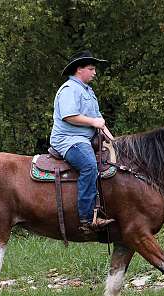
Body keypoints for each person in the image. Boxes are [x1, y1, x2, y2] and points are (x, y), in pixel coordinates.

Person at [50, 50, 115, 233]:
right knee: (89, 165)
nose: (94, 73)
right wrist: (94, 122)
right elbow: (69, 116)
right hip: (69, 140)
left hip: (86, 139)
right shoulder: (69, 89)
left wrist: (113, 142)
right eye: (91, 68)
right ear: (79, 70)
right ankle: (87, 219)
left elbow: (99, 120)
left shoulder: (87, 91)